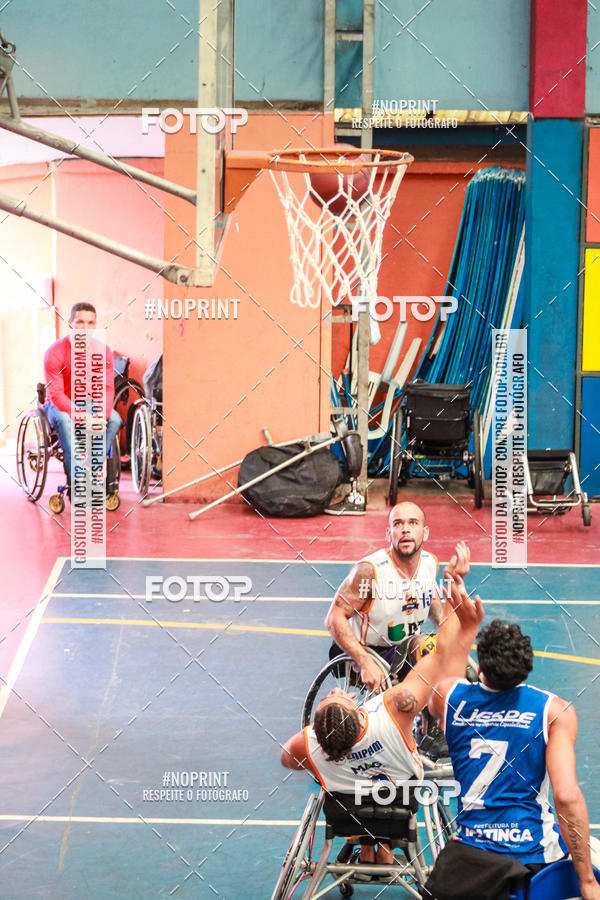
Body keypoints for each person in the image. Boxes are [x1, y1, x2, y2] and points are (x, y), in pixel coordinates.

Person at [282, 543, 483, 866]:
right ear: (356, 711)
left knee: (361, 793)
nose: (338, 692)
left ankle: (369, 848)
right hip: (398, 806)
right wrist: (457, 594)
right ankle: (385, 850)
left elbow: (288, 757)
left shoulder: (311, 745)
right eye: (338, 696)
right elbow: (444, 652)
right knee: (387, 787)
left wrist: (330, 745)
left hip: (347, 817)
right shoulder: (394, 709)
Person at [423, 619, 600, 900]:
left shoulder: (449, 698)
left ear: (479, 667)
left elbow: (445, 683)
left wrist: (467, 627)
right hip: (531, 861)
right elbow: (566, 797)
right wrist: (588, 882)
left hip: (468, 864)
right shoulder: (553, 711)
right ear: (527, 665)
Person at [325, 502, 444, 692]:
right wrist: (364, 662)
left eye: (413, 523)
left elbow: (434, 603)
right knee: (425, 646)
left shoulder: (430, 563)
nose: (405, 529)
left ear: (425, 532)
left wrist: (452, 637)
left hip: (404, 650)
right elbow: (334, 618)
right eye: (398, 524)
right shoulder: (369, 571)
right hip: (369, 653)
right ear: (389, 534)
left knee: (447, 649)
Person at [43, 302, 121, 490]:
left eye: (90, 323)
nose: (85, 328)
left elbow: (108, 388)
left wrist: (100, 416)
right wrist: (83, 417)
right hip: (58, 405)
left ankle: (90, 468)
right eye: (80, 322)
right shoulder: (55, 352)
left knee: (115, 419)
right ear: (70, 323)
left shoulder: (103, 351)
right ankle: (79, 479)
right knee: (64, 419)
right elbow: (57, 395)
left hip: (90, 403)